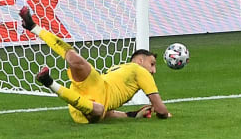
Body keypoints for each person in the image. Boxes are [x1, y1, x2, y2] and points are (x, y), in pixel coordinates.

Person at [19, 7, 171, 124]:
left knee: (99, 108)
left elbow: (108, 112)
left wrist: (132, 114)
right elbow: (161, 110)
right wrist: (165, 114)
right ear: (139, 61)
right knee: (75, 58)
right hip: (95, 85)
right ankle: (32, 26)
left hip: (89, 109)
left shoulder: (123, 74)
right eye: (152, 64)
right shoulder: (137, 70)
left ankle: (49, 82)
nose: (153, 70)